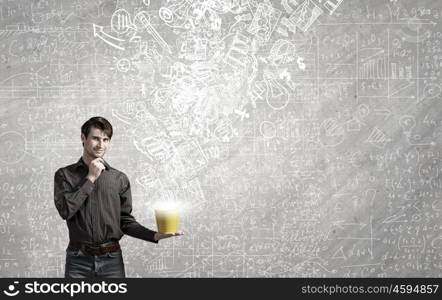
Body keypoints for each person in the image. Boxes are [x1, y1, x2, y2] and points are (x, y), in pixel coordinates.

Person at [54, 116, 183, 278]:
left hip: (111, 260)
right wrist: (90, 178)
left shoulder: (119, 179)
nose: (101, 145)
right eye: (95, 138)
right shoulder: (64, 175)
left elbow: (125, 221)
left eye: (106, 139)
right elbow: (65, 210)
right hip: (78, 259)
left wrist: (154, 235)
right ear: (83, 137)